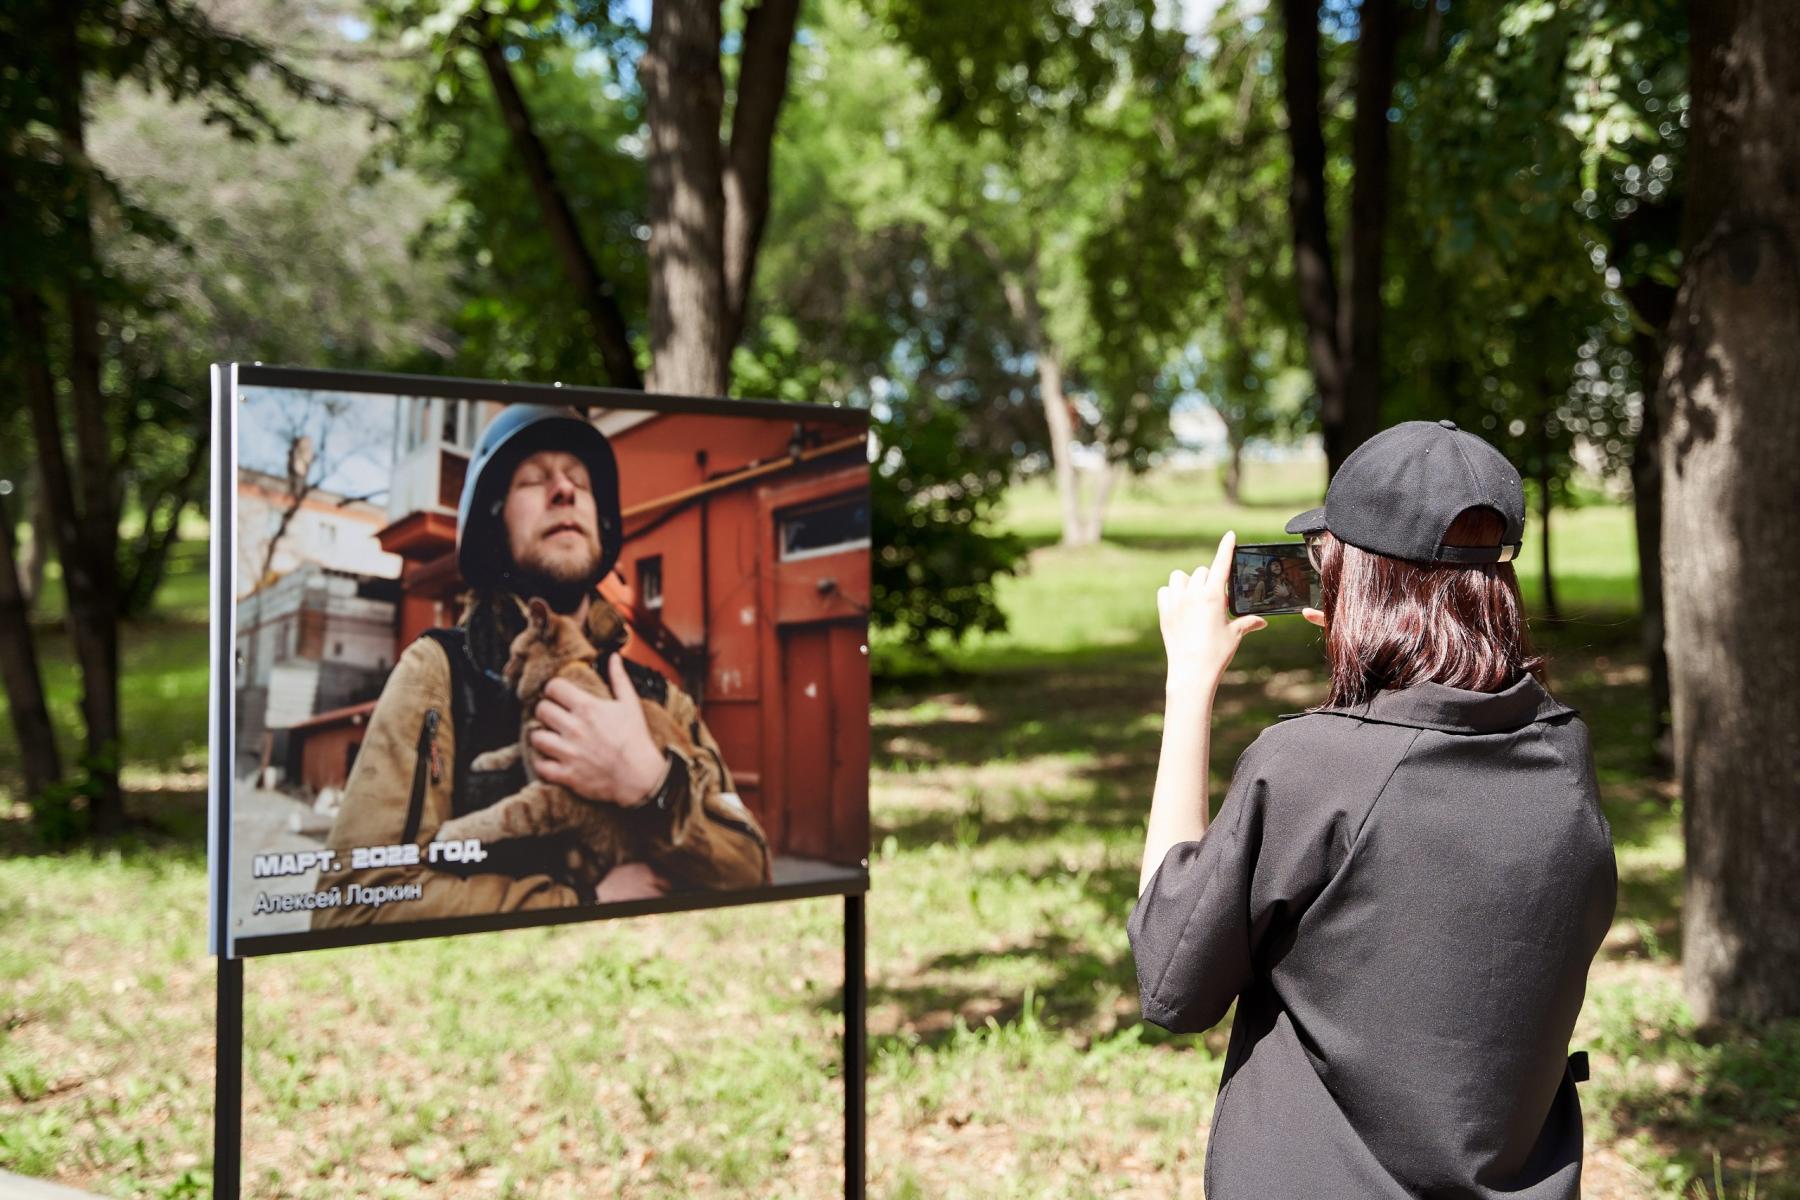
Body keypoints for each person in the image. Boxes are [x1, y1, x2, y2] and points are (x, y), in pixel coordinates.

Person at [1129, 419, 1616, 1199]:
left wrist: (1189, 684)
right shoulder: (1564, 751)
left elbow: (1170, 978)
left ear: (1358, 581)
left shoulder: (1311, 767)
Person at [313, 404, 769, 928]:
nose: (564, 490)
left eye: (579, 481)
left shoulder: (663, 697)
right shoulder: (439, 670)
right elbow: (350, 904)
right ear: (494, 519)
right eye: (533, 481)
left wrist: (650, 784)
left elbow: (751, 873)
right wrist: (580, 905)